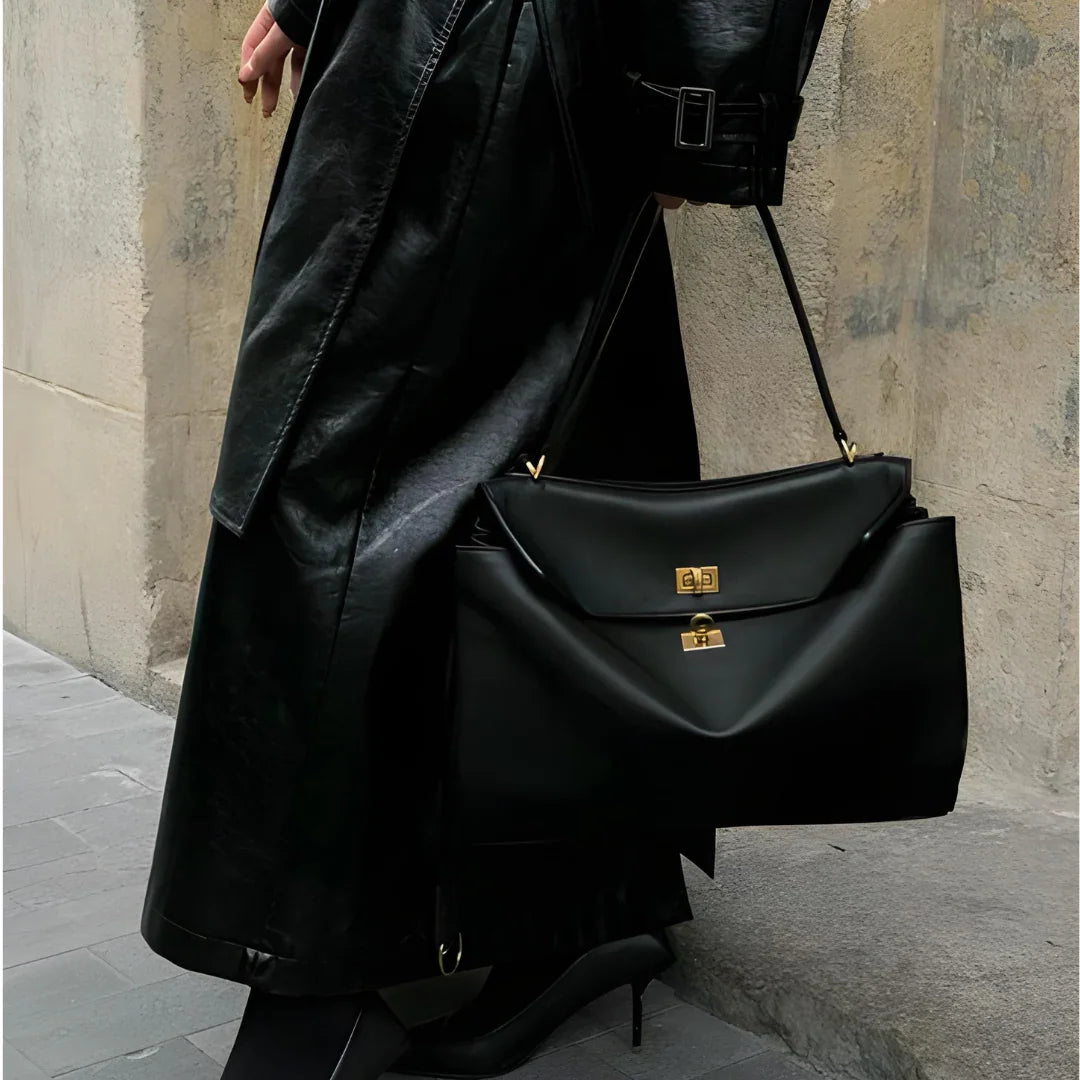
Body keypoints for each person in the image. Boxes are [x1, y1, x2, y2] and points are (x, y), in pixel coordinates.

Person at [140, 0, 717, 1076]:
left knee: (326, 485)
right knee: (553, 463)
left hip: (481, 44)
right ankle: (580, 896)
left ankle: (318, 1002)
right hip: (458, 47)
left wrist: (699, 82)